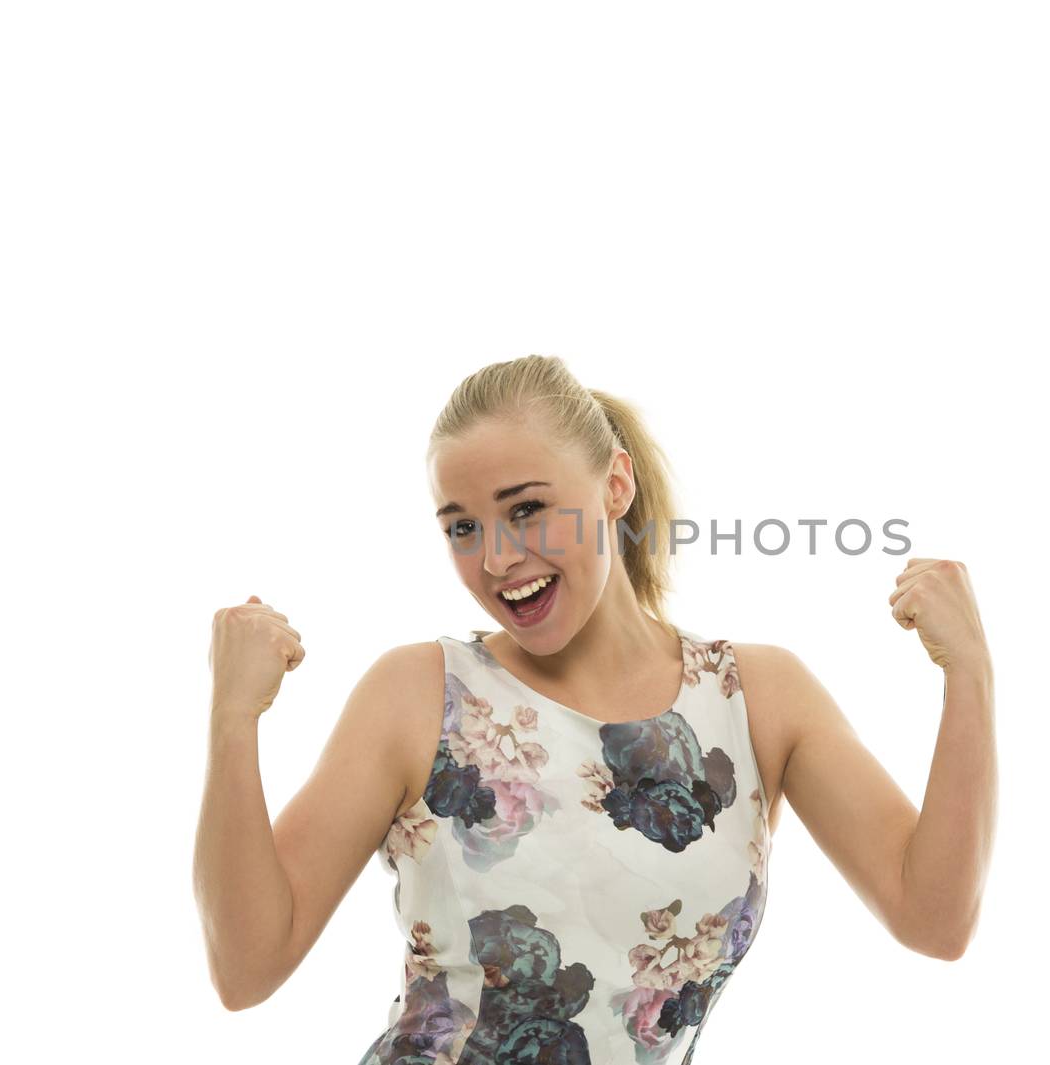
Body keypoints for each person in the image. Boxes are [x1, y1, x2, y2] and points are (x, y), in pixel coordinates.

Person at [193, 354, 997, 1064]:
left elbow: (933, 916)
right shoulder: (418, 693)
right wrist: (232, 719)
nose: (499, 559)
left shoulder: (757, 699)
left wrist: (971, 675)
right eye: (463, 526)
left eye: (528, 508)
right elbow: (248, 966)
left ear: (615, 485)